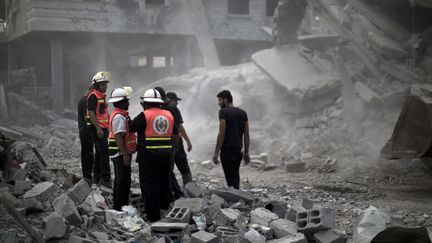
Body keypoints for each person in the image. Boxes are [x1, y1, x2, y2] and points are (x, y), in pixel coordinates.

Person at [131, 88, 176, 222]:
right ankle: (165, 210)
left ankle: (153, 217)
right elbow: (174, 135)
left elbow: (132, 127)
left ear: (145, 103)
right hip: (165, 157)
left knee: (150, 186)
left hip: (148, 158)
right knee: (163, 183)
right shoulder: (169, 115)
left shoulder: (145, 115)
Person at [213, 90, 250, 189]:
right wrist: (246, 153)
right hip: (238, 150)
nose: (218, 103)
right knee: (235, 176)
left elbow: (222, 133)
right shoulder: (243, 113)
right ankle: (237, 198)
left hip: (227, 151)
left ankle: (236, 199)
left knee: (230, 179)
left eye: (220, 100)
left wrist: (216, 152)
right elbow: (246, 134)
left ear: (225, 100)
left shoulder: (223, 112)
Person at [108, 87, 136, 211]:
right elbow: (119, 137)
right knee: (123, 180)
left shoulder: (120, 114)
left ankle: (118, 205)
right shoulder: (119, 116)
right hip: (120, 153)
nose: (128, 103)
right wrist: (125, 155)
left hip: (119, 152)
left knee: (120, 179)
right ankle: (121, 207)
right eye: (127, 101)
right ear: (121, 102)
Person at [154, 87, 184, 200]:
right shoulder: (163, 108)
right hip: (167, 143)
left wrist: (173, 147)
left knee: (169, 169)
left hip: (172, 143)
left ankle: (176, 194)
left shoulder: (170, 108)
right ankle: (174, 193)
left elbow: (178, 128)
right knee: (168, 170)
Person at [87, 71, 112, 188]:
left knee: (99, 154)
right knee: (104, 153)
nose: (105, 86)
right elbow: (91, 113)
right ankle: (106, 179)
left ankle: (96, 177)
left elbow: (103, 113)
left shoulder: (101, 96)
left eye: (106, 84)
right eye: (102, 84)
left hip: (103, 128)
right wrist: (98, 129)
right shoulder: (93, 96)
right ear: (97, 85)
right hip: (98, 129)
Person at [166, 92, 193, 186]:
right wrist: (188, 141)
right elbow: (179, 126)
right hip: (176, 141)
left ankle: (171, 190)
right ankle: (189, 189)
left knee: (168, 168)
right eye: (175, 100)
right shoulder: (173, 108)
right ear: (170, 99)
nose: (177, 103)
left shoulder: (160, 109)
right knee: (184, 166)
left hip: (164, 143)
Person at [78, 86, 95, 183]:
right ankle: (87, 177)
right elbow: (86, 117)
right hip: (86, 130)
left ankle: (87, 176)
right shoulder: (86, 101)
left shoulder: (82, 100)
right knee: (88, 154)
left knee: (85, 153)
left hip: (83, 130)